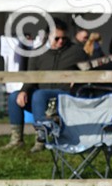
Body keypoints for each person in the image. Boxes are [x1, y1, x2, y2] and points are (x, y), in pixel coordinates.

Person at [16, 19, 94, 150]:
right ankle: (16, 139)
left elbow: (89, 72)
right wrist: (23, 91)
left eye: (64, 38)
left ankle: (41, 139)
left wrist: (80, 78)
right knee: (15, 97)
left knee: (39, 95)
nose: (61, 41)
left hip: (64, 93)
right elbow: (30, 76)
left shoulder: (76, 51)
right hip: (41, 93)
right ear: (47, 36)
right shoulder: (38, 53)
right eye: (56, 38)